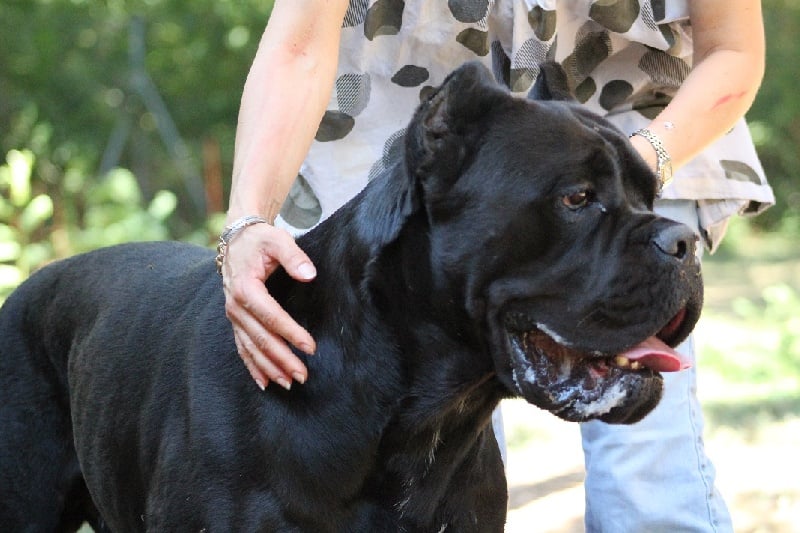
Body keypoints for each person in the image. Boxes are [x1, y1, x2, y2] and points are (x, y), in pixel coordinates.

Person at [219, 1, 775, 530]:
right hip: (397, 155)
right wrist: (246, 221)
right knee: (419, 485)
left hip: (643, 131)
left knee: (651, 484)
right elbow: (299, 47)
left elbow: (734, 49)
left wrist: (630, 168)